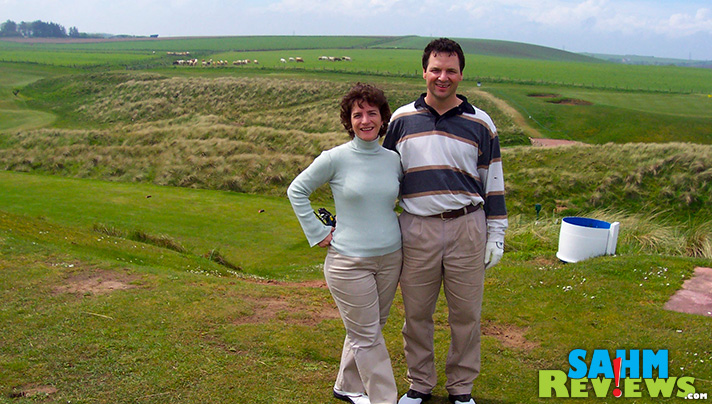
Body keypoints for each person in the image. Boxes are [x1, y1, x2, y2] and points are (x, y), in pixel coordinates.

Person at [382, 38, 508, 404]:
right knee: (417, 314)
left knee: (465, 315)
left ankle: (461, 389)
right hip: (416, 228)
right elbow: (385, 177)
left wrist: (496, 234)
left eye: (450, 71)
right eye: (436, 69)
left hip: (467, 227)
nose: (442, 77)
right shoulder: (401, 120)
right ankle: (420, 383)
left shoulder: (481, 123)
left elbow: (493, 183)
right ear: (424, 72)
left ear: (461, 75)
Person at [287, 83, 403, 404]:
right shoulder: (335, 158)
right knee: (367, 336)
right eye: (357, 115)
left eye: (371, 113)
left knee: (371, 328)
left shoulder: (393, 160)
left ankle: (347, 385)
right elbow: (296, 190)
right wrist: (317, 231)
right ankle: (385, 399)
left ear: (383, 119)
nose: (365, 120)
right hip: (348, 262)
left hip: (391, 257)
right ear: (348, 121)